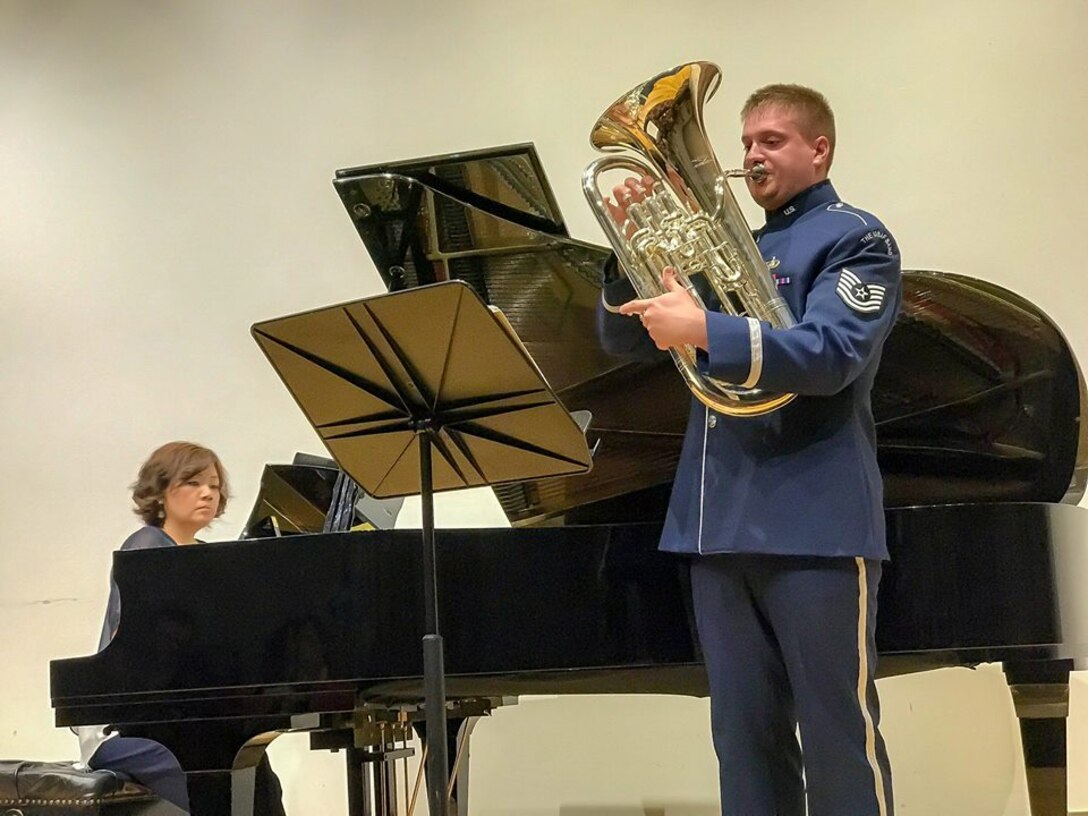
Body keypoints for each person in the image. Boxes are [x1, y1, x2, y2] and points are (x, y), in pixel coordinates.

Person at [597, 84, 900, 816]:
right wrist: (626, 248)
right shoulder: (723, 241)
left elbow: (829, 355)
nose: (751, 156)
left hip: (815, 527)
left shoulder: (856, 238)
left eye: (772, 141)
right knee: (745, 746)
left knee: (838, 743)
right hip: (716, 525)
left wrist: (705, 328)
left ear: (819, 149)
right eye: (745, 143)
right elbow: (618, 341)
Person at [77, 441, 284, 815]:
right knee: (199, 771)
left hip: (176, 718)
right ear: (160, 491)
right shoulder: (146, 548)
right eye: (192, 482)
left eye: (215, 485)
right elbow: (151, 658)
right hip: (126, 729)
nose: (207, 492)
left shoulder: (204, 558)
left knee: (256, 772)